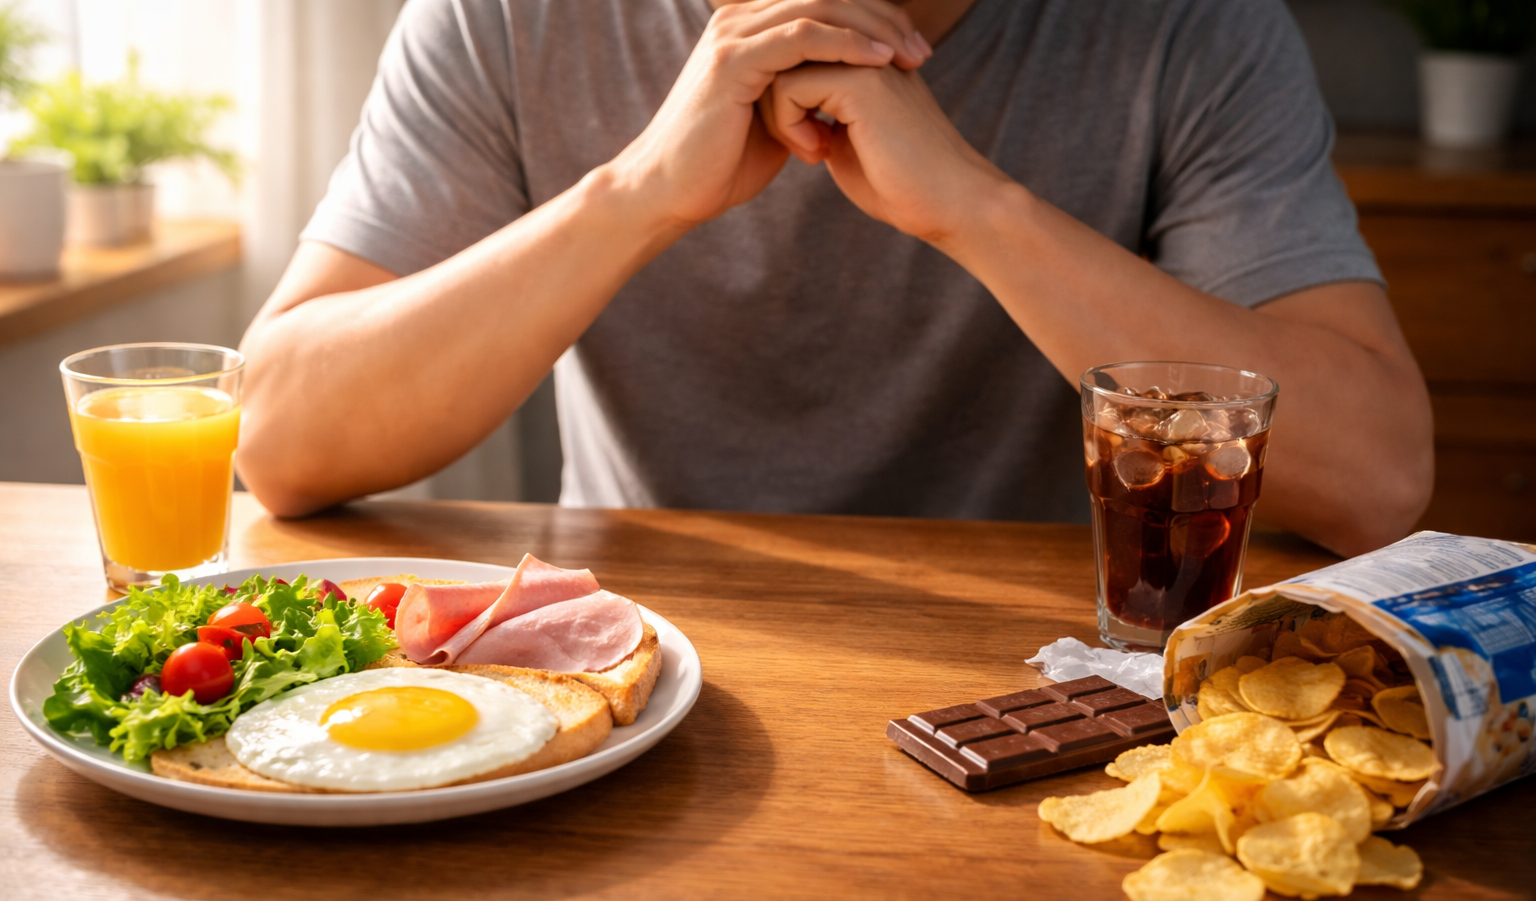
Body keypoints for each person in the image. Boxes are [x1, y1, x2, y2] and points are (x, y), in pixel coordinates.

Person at [235, 0, 1433, 557]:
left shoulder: (1191, 28)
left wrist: (977, 208)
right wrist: (636, 193)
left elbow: (1375, 477)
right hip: (633, 663)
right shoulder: (503, 16)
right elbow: (280, 438)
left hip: (1052, 674)